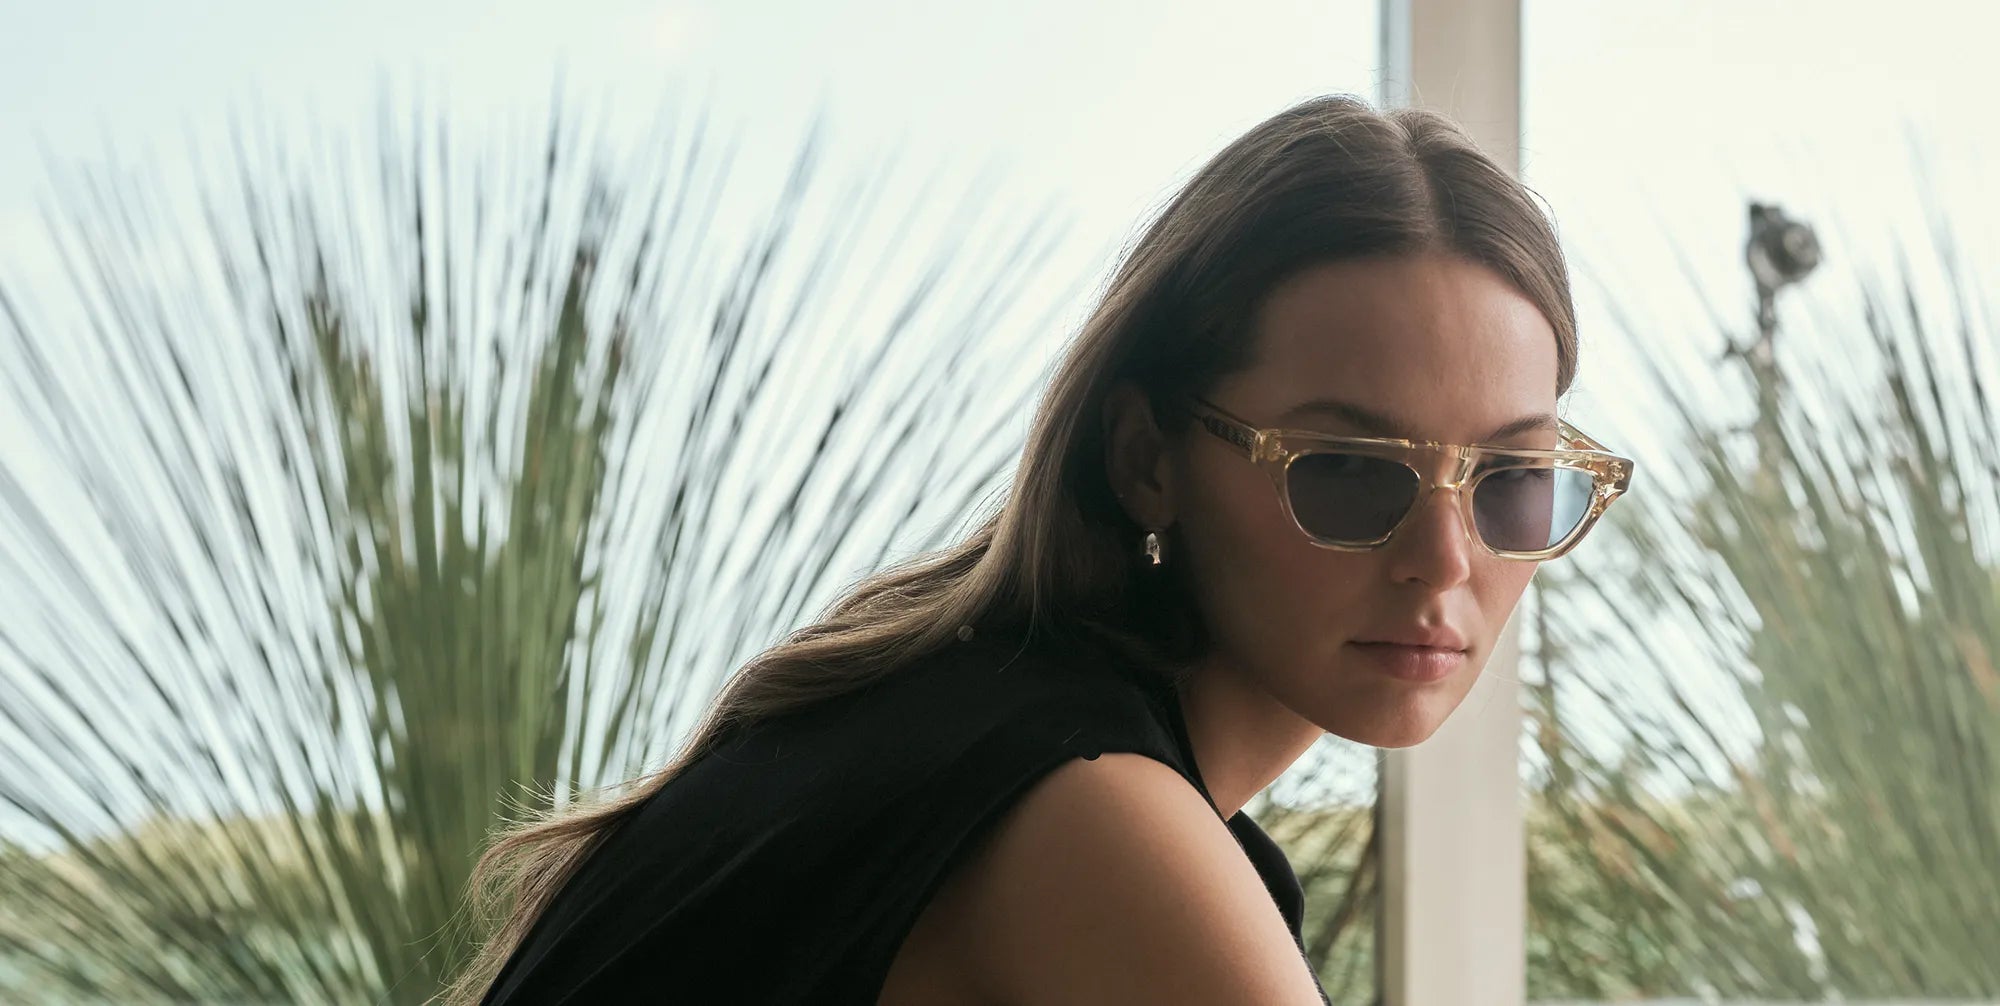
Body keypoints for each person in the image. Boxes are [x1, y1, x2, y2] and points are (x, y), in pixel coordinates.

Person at [447, 93, 1633, 1005]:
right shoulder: (1084, 816)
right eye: (1348, 472)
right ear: (1144, 458)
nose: (1441, 558)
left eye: (1511, 483)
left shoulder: (967, 720)